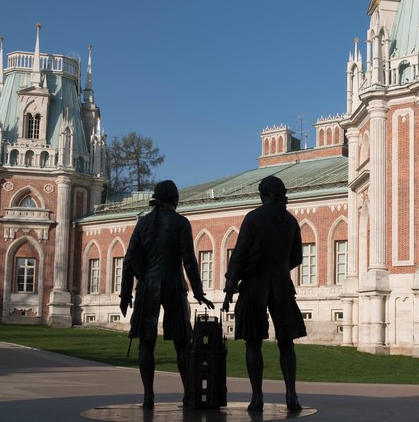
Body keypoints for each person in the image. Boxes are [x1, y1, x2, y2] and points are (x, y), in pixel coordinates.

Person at [120, 180, 214, 409]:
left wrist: (125, 294)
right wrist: (199, 292)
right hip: (173, 284)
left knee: (146, 343)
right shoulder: (181, 223)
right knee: (183, 343)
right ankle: (188, 394)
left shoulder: (142, 223)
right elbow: (190, 261)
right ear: (174, 199)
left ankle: (148, 396)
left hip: (147, 286)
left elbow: (129, 259)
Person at [222, 175, 306, 412]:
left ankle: (257, 396)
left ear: (265, 194)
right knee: (286, 342)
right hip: (281, 284)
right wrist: (279, 267)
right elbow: (297, 257)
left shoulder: (253, 218)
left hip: (254, 285)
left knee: (253, 342)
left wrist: (229, 289)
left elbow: (238, 255)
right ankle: (291, 395)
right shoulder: (290, 221)